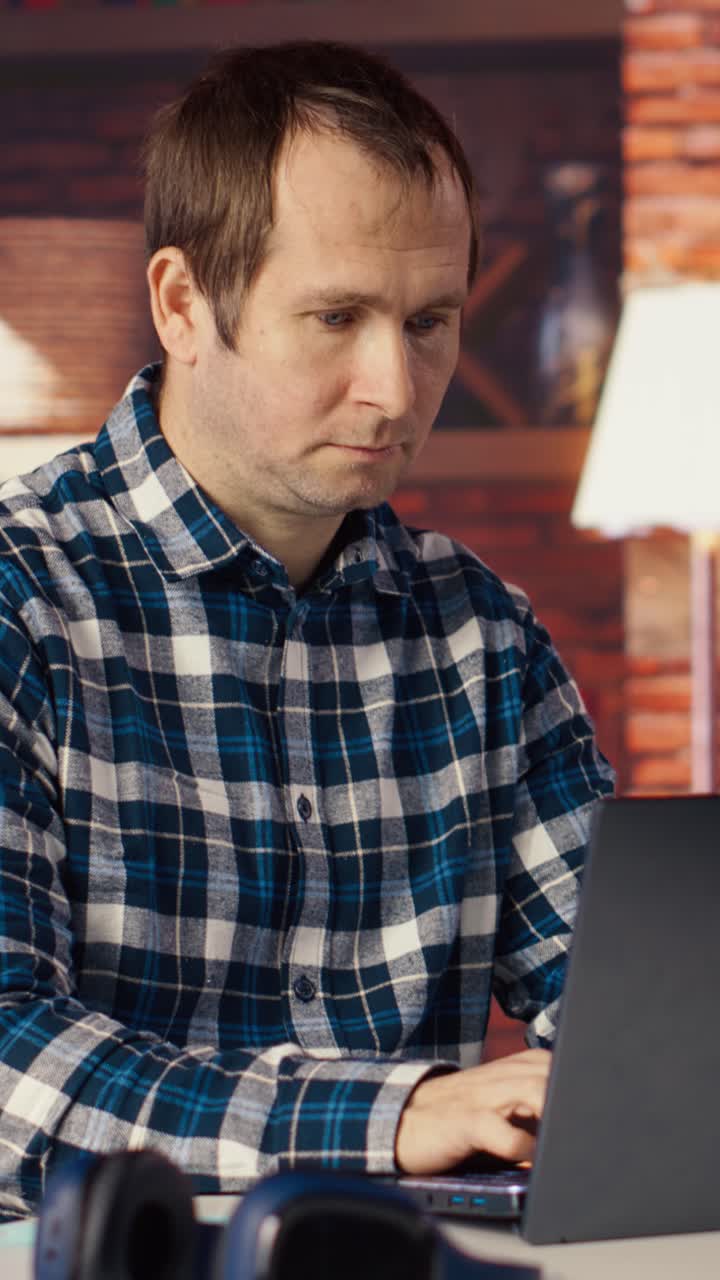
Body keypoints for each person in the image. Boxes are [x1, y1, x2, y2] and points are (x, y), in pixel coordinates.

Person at [0, 41, 613, 1221]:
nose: (394, 384)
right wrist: (396, 1112)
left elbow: (630, 1015)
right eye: (337, 316)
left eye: (432, 320)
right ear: (183, 302)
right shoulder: (21, 605)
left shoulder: (484, 637)